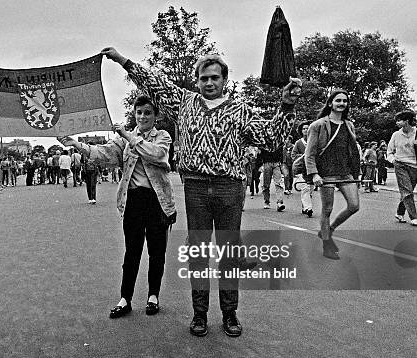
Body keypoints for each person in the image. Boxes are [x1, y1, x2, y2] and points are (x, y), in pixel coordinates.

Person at [101, 47, 300, 337]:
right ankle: (199, 315)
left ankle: (230, 314)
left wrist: (286, 106)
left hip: (228, 188)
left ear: (224, 80)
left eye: (215, 78)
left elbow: (271, 137)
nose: (209, 83)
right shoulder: (184, 103)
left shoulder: (240, 109)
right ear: (197, 80)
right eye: (204, 78)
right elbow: (154, 82)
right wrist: (122, 60)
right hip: (195, 187)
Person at [58, 96, 176, 318]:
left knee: (156, 251)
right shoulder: (124, 140)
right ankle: (125, 298)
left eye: (147, 113)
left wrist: (128, 136)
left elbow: (157, 155)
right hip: (132, 199)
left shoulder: (162, 136)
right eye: (139, 112)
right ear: (134, 114)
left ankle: (153, 295)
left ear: (155, 116)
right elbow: (103, 153)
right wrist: (76, 144)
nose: (142, 117)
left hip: (157, 200)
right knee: (132, 251)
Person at [305, 89, 361, 260]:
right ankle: (327, 245)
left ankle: (329, 230)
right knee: (327, 210)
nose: (342, 103)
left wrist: (356, 173)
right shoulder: (318, 125)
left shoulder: (349, 125)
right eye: (338, 100)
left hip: (345, 172)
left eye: (345, 101)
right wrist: (314, 174)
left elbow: (353, 151)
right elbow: (310, 153)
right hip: (326, 174)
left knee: (354, 206)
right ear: (330, 103)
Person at [387, 110, 417, 225]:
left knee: (407, 192)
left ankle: (399, 212)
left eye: (399, 120)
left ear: (407, 121)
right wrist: (393, 160)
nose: (397, 123)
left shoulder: (416, 132)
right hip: (400, 165)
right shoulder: (396, 135)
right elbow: (389, 151)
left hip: (414, 166)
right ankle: (414, 217)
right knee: (407, 191)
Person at [291, 121, 314, 217]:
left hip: (312, 170)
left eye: (307, 128)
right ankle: (308, 208)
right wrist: (303, 156)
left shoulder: (314, 141)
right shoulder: (298, 143)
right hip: (301, 169)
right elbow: (293, 155)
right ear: (301, 131)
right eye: (304, 128)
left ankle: (305, 206)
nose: (306, 130)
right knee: (305, 188)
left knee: (310, 189)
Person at [260, 145, 287, 211]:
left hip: (276, 163)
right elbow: (260, 151)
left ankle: (279, 202)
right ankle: (267, 201)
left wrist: (282, 163)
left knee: (279, 183)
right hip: (267, 162)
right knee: (266, 184)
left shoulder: (278, 138)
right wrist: (260, 164)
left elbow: (281, 151)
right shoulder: (264, 138)